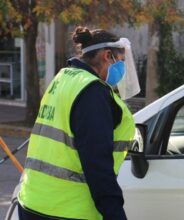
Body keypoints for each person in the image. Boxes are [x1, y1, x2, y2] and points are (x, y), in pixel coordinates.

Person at [18, 26, 140, 220]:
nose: (123, 70)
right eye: (122, 61)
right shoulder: (92, 92)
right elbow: (97, 164)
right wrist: (115, 213)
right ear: (108, 55)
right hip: (65, 210)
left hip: (32, 201)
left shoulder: (62, 78)